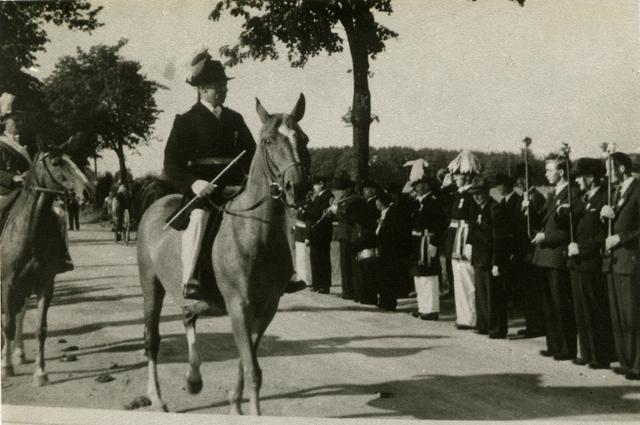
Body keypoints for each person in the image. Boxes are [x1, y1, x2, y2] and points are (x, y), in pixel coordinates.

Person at [163, 50, 256, 300]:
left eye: (225, 86)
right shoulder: (185, 121)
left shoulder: (235, 119)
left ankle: (284, 272)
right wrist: (194, 184)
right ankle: (190, 277)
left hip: (236, 188)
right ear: (202, 89)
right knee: (198, 218)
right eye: (218, 87)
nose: (223, 91)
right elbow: (170, 165)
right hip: (204, 192)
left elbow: (252, 154)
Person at [0, 92, 73, 273]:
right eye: (14, 120)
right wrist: (14, 178)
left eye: (20, 120)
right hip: (5, 191)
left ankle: (60, 256)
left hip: (29, 190)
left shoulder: (29, 143)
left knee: (57, 213)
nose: (19, 123)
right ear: (4, 121)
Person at [568, 158, 615, 369]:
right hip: (578, 261)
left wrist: (583, 248)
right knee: (581, 309)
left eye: (581, 176)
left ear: (592, 177)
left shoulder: (605, 197)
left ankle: (600, 355)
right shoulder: (582, 198)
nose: (578, 180)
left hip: (592, 260)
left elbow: (604, 233)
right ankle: (586, 351)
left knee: (595, 309)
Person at [531, 152, 578, 361]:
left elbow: (568, 229)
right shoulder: (553, 194)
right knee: (548, 304)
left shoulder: (571, 193)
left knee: (561, 303)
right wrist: (529, 208)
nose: (546, 173)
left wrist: (545, 237)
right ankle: (553, 344)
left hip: (557, 256)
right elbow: (543, 220)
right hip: (544, 256)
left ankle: (566, 348)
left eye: (549, 170)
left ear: (561, 172)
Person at [600, 152, 640, 380]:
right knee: (618, 315)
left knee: (632, 314)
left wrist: (621, 238)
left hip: (630, 260)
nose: (606, 174)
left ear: (622, 169)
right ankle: (626, 361)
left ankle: (637, 363)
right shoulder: (615, 193)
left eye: (610, 169)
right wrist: (605, 218)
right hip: (614, 262)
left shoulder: (638, 190)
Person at [444, 150, 482, 330]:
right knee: (458, 280)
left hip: (465, 240)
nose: (455, 178)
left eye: (457, 174)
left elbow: (473, 222)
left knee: (468, 281)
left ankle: (471, 318)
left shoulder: (471, 195)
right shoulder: (458, 194)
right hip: (456, 240)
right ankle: (463, 317)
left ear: (466, 177)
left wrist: (470, 244)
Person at [467, 178, 508, 338]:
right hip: (479, 259)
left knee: (494, 296)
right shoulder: (478, 209)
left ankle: (496, 328)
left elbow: (499, 238)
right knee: (482, 295)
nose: (476, 197)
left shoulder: (494, 209)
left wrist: (496, 262)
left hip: (491, 260)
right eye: (474, 194)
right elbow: (473, 234)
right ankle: (483, 324)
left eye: (479, 194)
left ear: (487, 192)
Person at [513, 164, 546, 338]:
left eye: (524, 178)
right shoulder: (523, 197)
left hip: (532, 248)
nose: (520, 181)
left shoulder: (537, 197)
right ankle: (531, 323)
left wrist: (530, 209)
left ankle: (537, 325)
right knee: (526, 290)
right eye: (519, 178)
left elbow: (540, 222)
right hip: (522, 248)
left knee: (534, 290)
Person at [409, 175, 448, 321]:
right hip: (418, 241)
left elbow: (440, 224)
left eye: (418, 185)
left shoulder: (433, 202)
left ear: (426, 186)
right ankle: (423, 307)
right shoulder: (418, 202)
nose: (415, 188)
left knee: (429, 274)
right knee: (419, 274)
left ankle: (431, 309)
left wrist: (435, 243)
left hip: (428, 240)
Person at [329, 176, 362, 300]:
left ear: (349, 189)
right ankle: (346, 290)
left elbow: (351, 218)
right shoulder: (343, 199)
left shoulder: (355, 200)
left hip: (350, 234)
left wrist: (337, 212)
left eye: (344, 189)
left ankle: (353, 291)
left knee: (351, 264)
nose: (342, 191)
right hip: (343, 234)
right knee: (344, 264)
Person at [350, 179, 381, 305]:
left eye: (367, 189)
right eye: (364, 189)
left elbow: (365, 220)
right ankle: (364, 295)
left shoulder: (373, 203)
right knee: (363, 269)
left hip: (369, 239)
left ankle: (369, 297)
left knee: (369, 270)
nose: (364, 191)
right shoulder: (366, 203)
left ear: (373, 191)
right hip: (363, 238)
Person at [305, 175, 334, 294]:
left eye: (315, 185)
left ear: (321, 184)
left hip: (322, 232)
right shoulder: (317, 197)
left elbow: (318, 213)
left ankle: (324, 285)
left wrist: (308, 206)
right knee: (315, 257)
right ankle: (316, 283)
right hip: (315, 232)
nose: (314, 187)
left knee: (323, 258)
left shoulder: (328, 196)